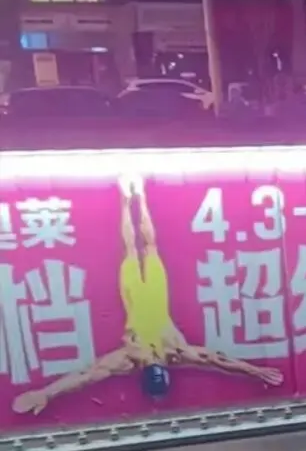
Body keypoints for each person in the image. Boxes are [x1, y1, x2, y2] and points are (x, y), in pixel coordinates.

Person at [12, 174, 283, 415]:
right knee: (147, 248)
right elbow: (217, 360)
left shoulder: (129, 359)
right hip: (155, 295)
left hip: (135, 297)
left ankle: (128, 198)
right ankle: (137, 196)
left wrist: (47, 393)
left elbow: (86, 376)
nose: (153, 358)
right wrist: (254, 370)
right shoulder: (176, 353)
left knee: (133, 250)